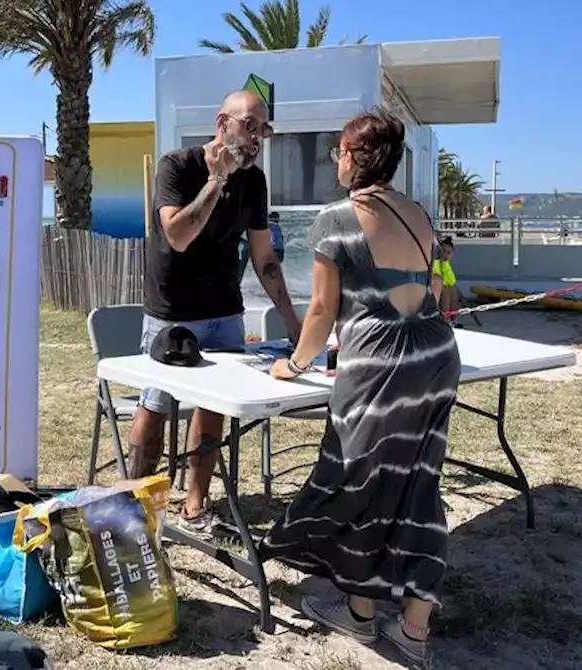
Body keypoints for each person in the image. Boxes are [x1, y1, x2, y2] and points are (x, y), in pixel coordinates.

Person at [261, 109, 460, 667]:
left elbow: (323, 309)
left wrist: (294, 364)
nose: (335, 159)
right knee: (417, 486)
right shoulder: (418, 212)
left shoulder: (335, 219)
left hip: (378, 365)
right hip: (435, 354)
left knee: (354, 484)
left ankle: (361, 613)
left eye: (340, 151)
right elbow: (428, 289)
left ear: (359, 158)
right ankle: (409, 629)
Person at [130, 90, 302, 535]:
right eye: (249, 126)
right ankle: (135, 511)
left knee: (212, 408)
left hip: (225, 310)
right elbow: (178, 236)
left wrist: (294, 321)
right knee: (155, 408)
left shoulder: (255, 181)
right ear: (222, 121)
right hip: (172, 313)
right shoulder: (177, 166)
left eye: (262, 130)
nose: (256, 138)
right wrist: (215, 181)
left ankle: (194, 506)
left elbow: (264, 257)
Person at [432, 235, 460, 323]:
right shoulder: (435, 262)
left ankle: (452, 318)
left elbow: (451, 281)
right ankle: (445, 319)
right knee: (446, 291)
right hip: (435, 287)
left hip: (443, 286)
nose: (446, 254)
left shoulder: (445, 263)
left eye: (449, 252)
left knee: (453, 289)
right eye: (444, 251)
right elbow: (436, 276)